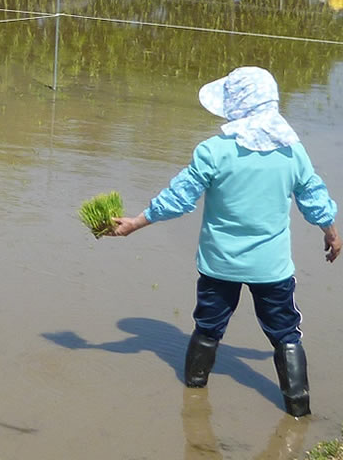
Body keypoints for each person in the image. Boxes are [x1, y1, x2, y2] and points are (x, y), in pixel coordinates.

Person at [109, 67, 338, 417]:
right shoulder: (293, 153)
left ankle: (193, 396)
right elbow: (313, 196)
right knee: (286, 333)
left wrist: (137, 223)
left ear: (236, 105)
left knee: (208, 327)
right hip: (271, 268)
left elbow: (179, 196)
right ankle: (299, 409)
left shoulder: (213, 151)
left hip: (220, 265)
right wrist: (331, 232)